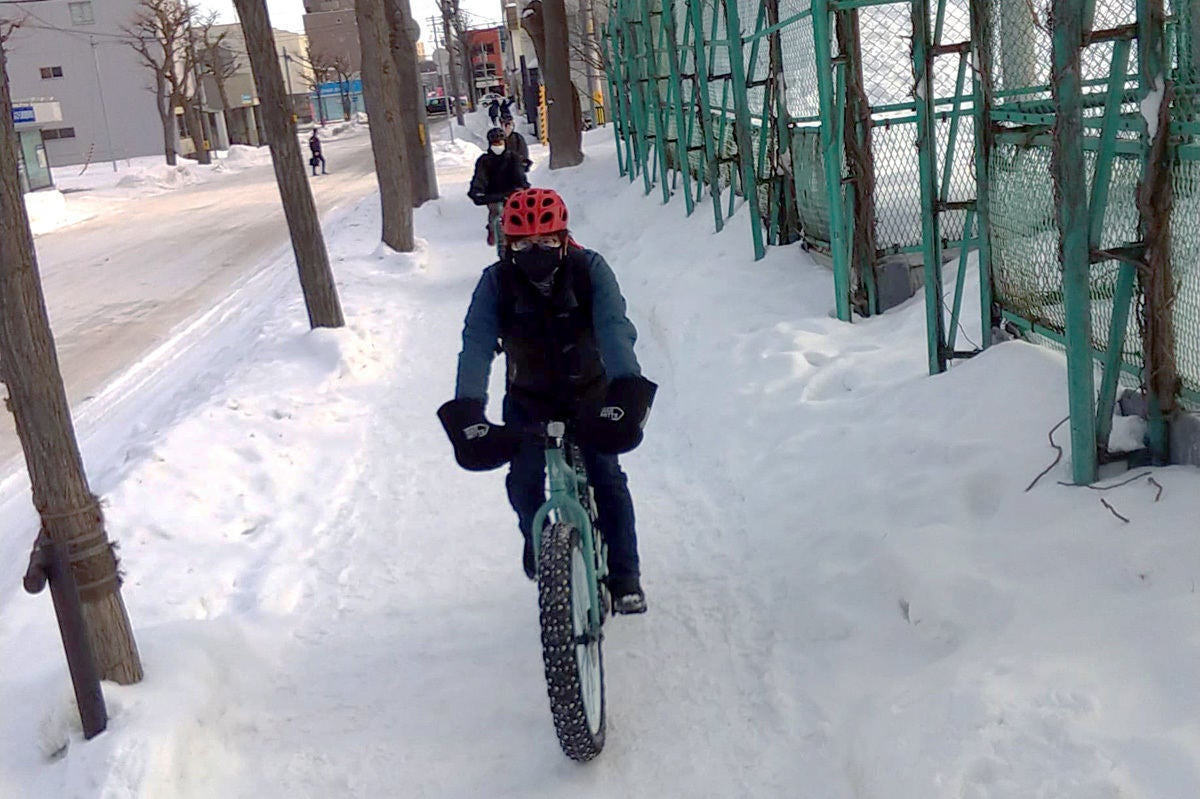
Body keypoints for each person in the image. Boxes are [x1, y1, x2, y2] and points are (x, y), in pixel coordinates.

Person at [437, 188, 657, 614]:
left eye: (546, 242)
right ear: (508, 245)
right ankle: (535, 536)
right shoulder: (495, 283)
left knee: (606, 477)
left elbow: (613, 329)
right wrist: (468, 407)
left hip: (589, 393)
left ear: (563, 238)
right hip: (528, 398)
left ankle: (625, 574)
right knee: (522, 479)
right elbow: (477, 344)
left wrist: (625, 386)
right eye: (522, 244)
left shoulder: (589, 270)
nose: (534, 251)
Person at [468, 127, 529, 248]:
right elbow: (480, 178)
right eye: (495, 143)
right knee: (497, 213)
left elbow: (520, 177)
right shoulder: (484, 160)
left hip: (512, 194)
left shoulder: (513, 158)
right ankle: (494, 232)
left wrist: (522, 188)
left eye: (500, 143)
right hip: (493, 196)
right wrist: (477, 191)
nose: (498, 146)